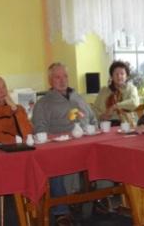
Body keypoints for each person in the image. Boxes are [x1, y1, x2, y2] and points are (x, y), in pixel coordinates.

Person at [32, 63, 98, 226]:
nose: (62, 80)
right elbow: (40, 130)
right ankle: (61, 210)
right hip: (60, 147)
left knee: (108, 153)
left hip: (86, 143)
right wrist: (61, 136)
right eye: (57, 77)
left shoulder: (78, 97)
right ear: (50, 80)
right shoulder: (44, 103)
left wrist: (93, 128)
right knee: (53, 164)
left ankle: (101, 197)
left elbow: (93, 119)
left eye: (65, 76)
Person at [0, 76, 33, 145]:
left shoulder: (18, 108)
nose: (2, 91)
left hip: (22, 148)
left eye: (4, 87)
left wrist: (14, 108)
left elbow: (28, 134)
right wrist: (16, 139)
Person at [93, 61, 140, 126]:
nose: (119, 76)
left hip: (127, 123)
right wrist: (101, 116)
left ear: (126, 76)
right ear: (111, 76)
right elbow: (95, 109)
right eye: (116, 74)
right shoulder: (104, 91)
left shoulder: (131, 88)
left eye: (122, 74)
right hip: (107, 124)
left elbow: (134, 102)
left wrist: (115, 106)